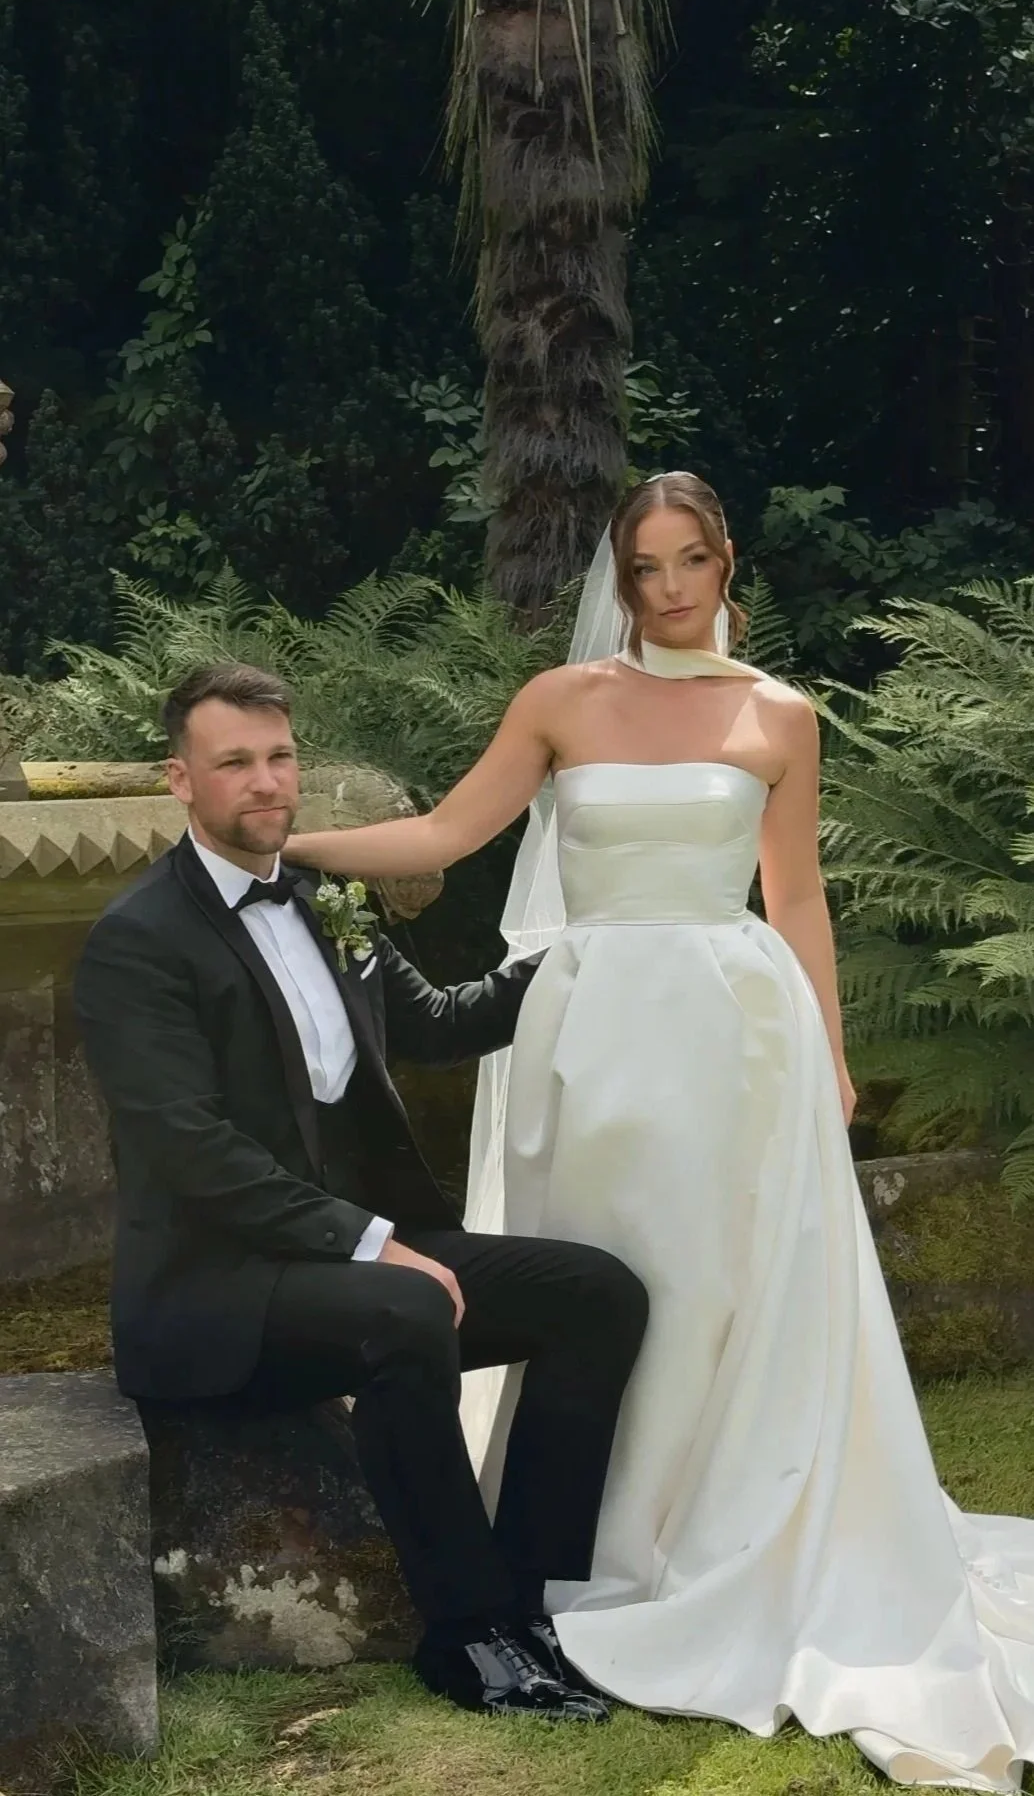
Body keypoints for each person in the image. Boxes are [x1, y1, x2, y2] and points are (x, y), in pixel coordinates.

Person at [285, 472, 1034, 1790]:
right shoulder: (560, 702)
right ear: (619, 577)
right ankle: (594, 1540)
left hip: (737, 1028)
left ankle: (731, 1532)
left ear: (725, 559)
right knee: (606, 1274)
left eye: (691, 559)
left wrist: (833, 1052)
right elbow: (452, 831)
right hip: (590, 1029)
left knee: (725, 1284)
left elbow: (794, 892)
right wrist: (285, 840)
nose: (672, 587)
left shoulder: (778, 716)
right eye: (646, 566)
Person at [74, 661, 650, 1724]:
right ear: (181, 779)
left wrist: (600, 947)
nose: (265, 781)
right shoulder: (136, 942)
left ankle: (527, 1595)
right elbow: (189, 1146)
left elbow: (435, 1021)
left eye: (279, 755)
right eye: (233, 762)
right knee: (406, 1304)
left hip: (354, 1262)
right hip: (215, 1295)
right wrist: (370, 1239)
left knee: (598, 1292)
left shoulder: (323, 895)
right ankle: (464, 1633)